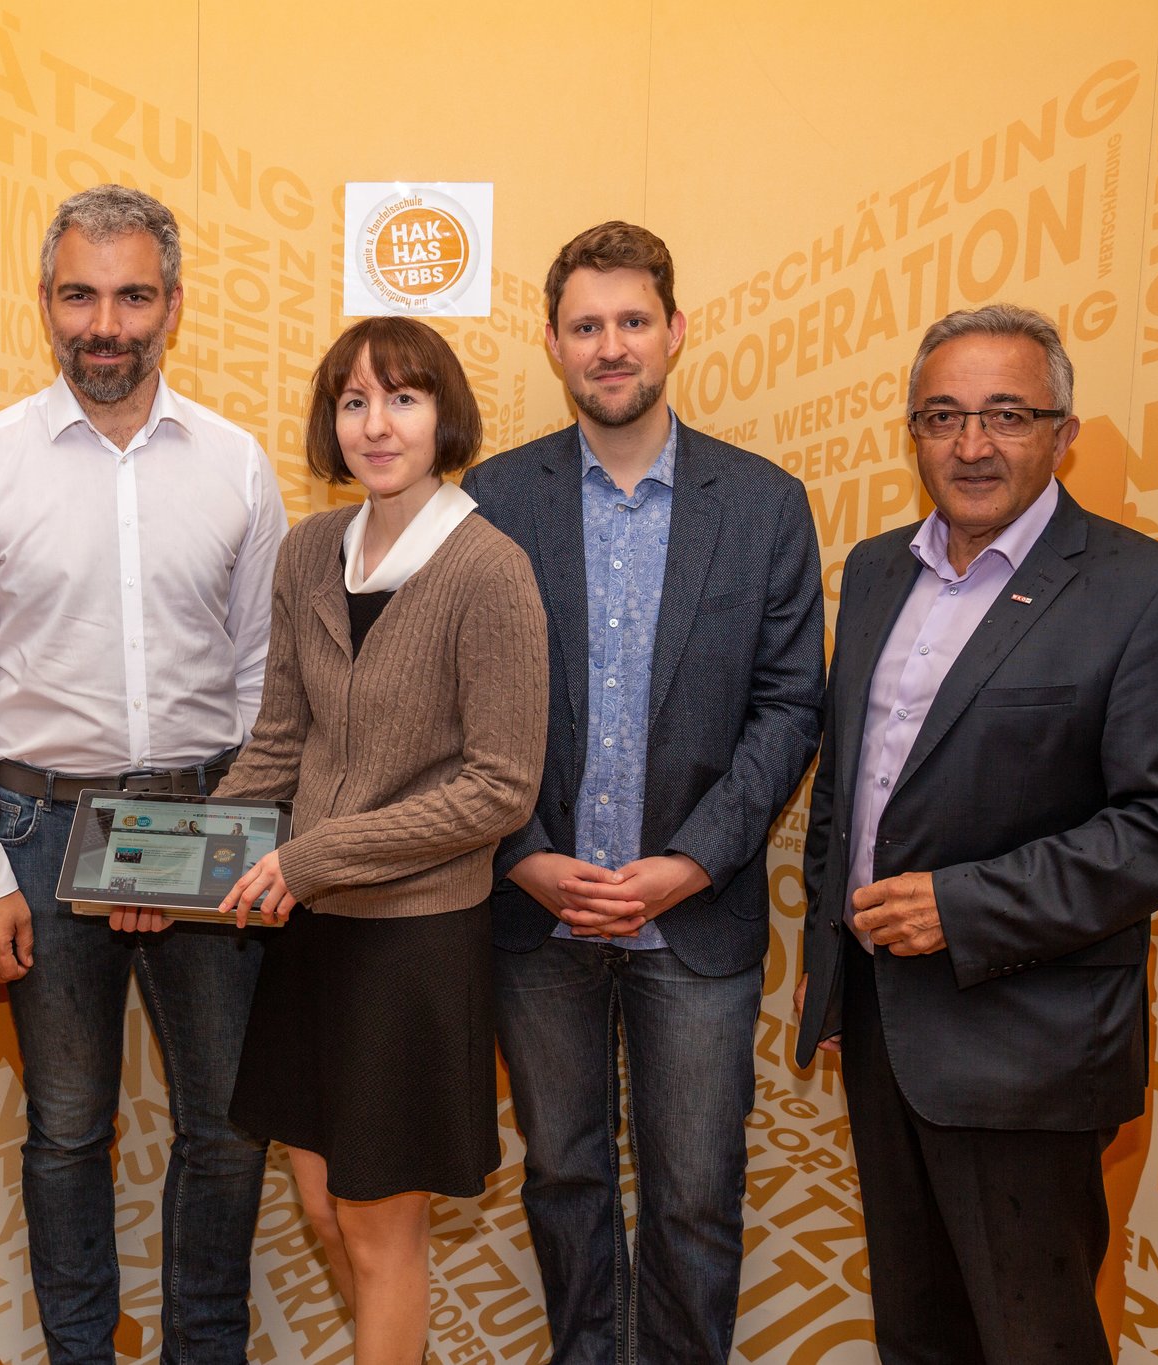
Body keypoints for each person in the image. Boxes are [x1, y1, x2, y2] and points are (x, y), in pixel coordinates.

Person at [793, 303, 1158, 1364]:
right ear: (912, 432)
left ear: (1062, 433)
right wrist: (830, 969)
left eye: (1006, 414)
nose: (971, 444)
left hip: (1028, 1044)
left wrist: (963, 904)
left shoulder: (1151, 592)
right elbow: (847, 786)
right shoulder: (876, 569)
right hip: (883, 1028)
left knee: (1033, 1341)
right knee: (917, 1335)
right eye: (942, 416)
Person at [0, 183, 286, 1365]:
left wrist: (215, 842)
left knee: (226, 1126)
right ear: (44, 302)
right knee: (68, 1127)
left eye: (132, 297)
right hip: (37, 834)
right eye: (80, 296)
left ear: (172, 304)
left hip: (209, 821)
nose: (106, 325)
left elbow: (262, 680)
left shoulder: (235, 465)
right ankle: (79, 1352)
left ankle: (202, 1351)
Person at [462, 220, 824, 1363]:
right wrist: (520, 851)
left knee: (694, 1195)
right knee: (562, 1179)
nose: (608, 346)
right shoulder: (490, 499)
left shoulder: (762, 504)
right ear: (551, 343)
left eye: (630, 321)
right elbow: (456, 704)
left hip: (693, 921)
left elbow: (787, 709)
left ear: (674, 331)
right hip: (539, 916)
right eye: (585, 326)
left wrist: (691, 863)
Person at [215, 315, 548, 1365]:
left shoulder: (490, 567)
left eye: (402, 397)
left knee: (379, 1229)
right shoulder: (310, 550)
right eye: (353, 401)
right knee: (322, 1206)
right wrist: (193, 852)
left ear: (443, 415)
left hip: (412, 941)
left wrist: (308, 858)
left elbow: (500, 787)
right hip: (310, 935)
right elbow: (279, 739)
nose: (376, 423)